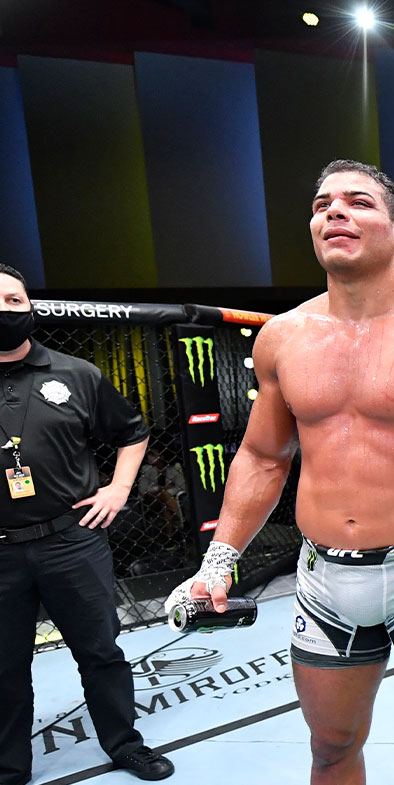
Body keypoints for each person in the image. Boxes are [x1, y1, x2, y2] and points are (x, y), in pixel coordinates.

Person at [163, 160, 394, 785]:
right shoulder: (281, 338)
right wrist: (219, 559)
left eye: (358, 203)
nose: (335, 212)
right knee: (330, 748)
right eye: (323, 203)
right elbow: (261, 455)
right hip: (324, 578)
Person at [0, 265, 173, 783]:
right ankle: (9, 767)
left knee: (101, 652)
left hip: (70, 541)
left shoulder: (75, 374)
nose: (5, 310)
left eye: (12, 299)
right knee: (5, 668)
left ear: (30, 305)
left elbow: (133, 431)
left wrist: (119, 490)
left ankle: (125, 744)